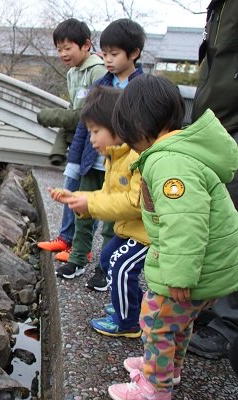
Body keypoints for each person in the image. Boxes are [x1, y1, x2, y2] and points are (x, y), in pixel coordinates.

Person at [107, 74, 238, 400]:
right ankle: (167, 369)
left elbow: (185, 223)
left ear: (139, 124)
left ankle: (155, 387)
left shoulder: (168, 162)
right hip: (210, 266)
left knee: (157, 322)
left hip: (192, 269)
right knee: (179, 323)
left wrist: (180, 275)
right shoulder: (181, 151)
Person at [54, 18, 145, 293]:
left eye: (114, 54)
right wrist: (73, 161)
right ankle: (78, 258)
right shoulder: (101, 83)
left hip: (120, 165)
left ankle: (105, 269)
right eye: (105, 54)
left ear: (134, 53)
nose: (107, 60)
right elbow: (84, 124)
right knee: (84, 212)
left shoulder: (141, 88)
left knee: (112, 220)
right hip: (91, 161)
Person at [49, 85, 148, 338]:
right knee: (107, 260)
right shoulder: (113, 157)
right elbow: (107, 195)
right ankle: (128, 306)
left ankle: (128, 323)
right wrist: (77, 198)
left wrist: (89, 204)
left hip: (147, 233)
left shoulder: (137, 157)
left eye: (95, 131)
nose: (91, 138)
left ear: (117, 127)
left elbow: (133, 203)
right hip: (129, 229)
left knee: (121, 266)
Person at [187, 0, 238, 361]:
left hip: (231, 128)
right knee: (214, 219)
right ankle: (213, 305)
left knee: (231, 223)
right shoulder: (218, 8)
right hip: (216, 127)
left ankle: (228, 326)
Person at [36, 18, 107, 264]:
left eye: (68, 48)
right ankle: (65, 239)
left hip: (94, 142)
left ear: (86, 45)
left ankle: (81, 247)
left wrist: (53, 117)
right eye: (59, 49)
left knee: (87, 196)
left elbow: (91, 110)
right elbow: (73, 107)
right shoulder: (72, 73)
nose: (63, 54)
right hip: (79, 140)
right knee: (69, 188)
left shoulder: (98, 70)